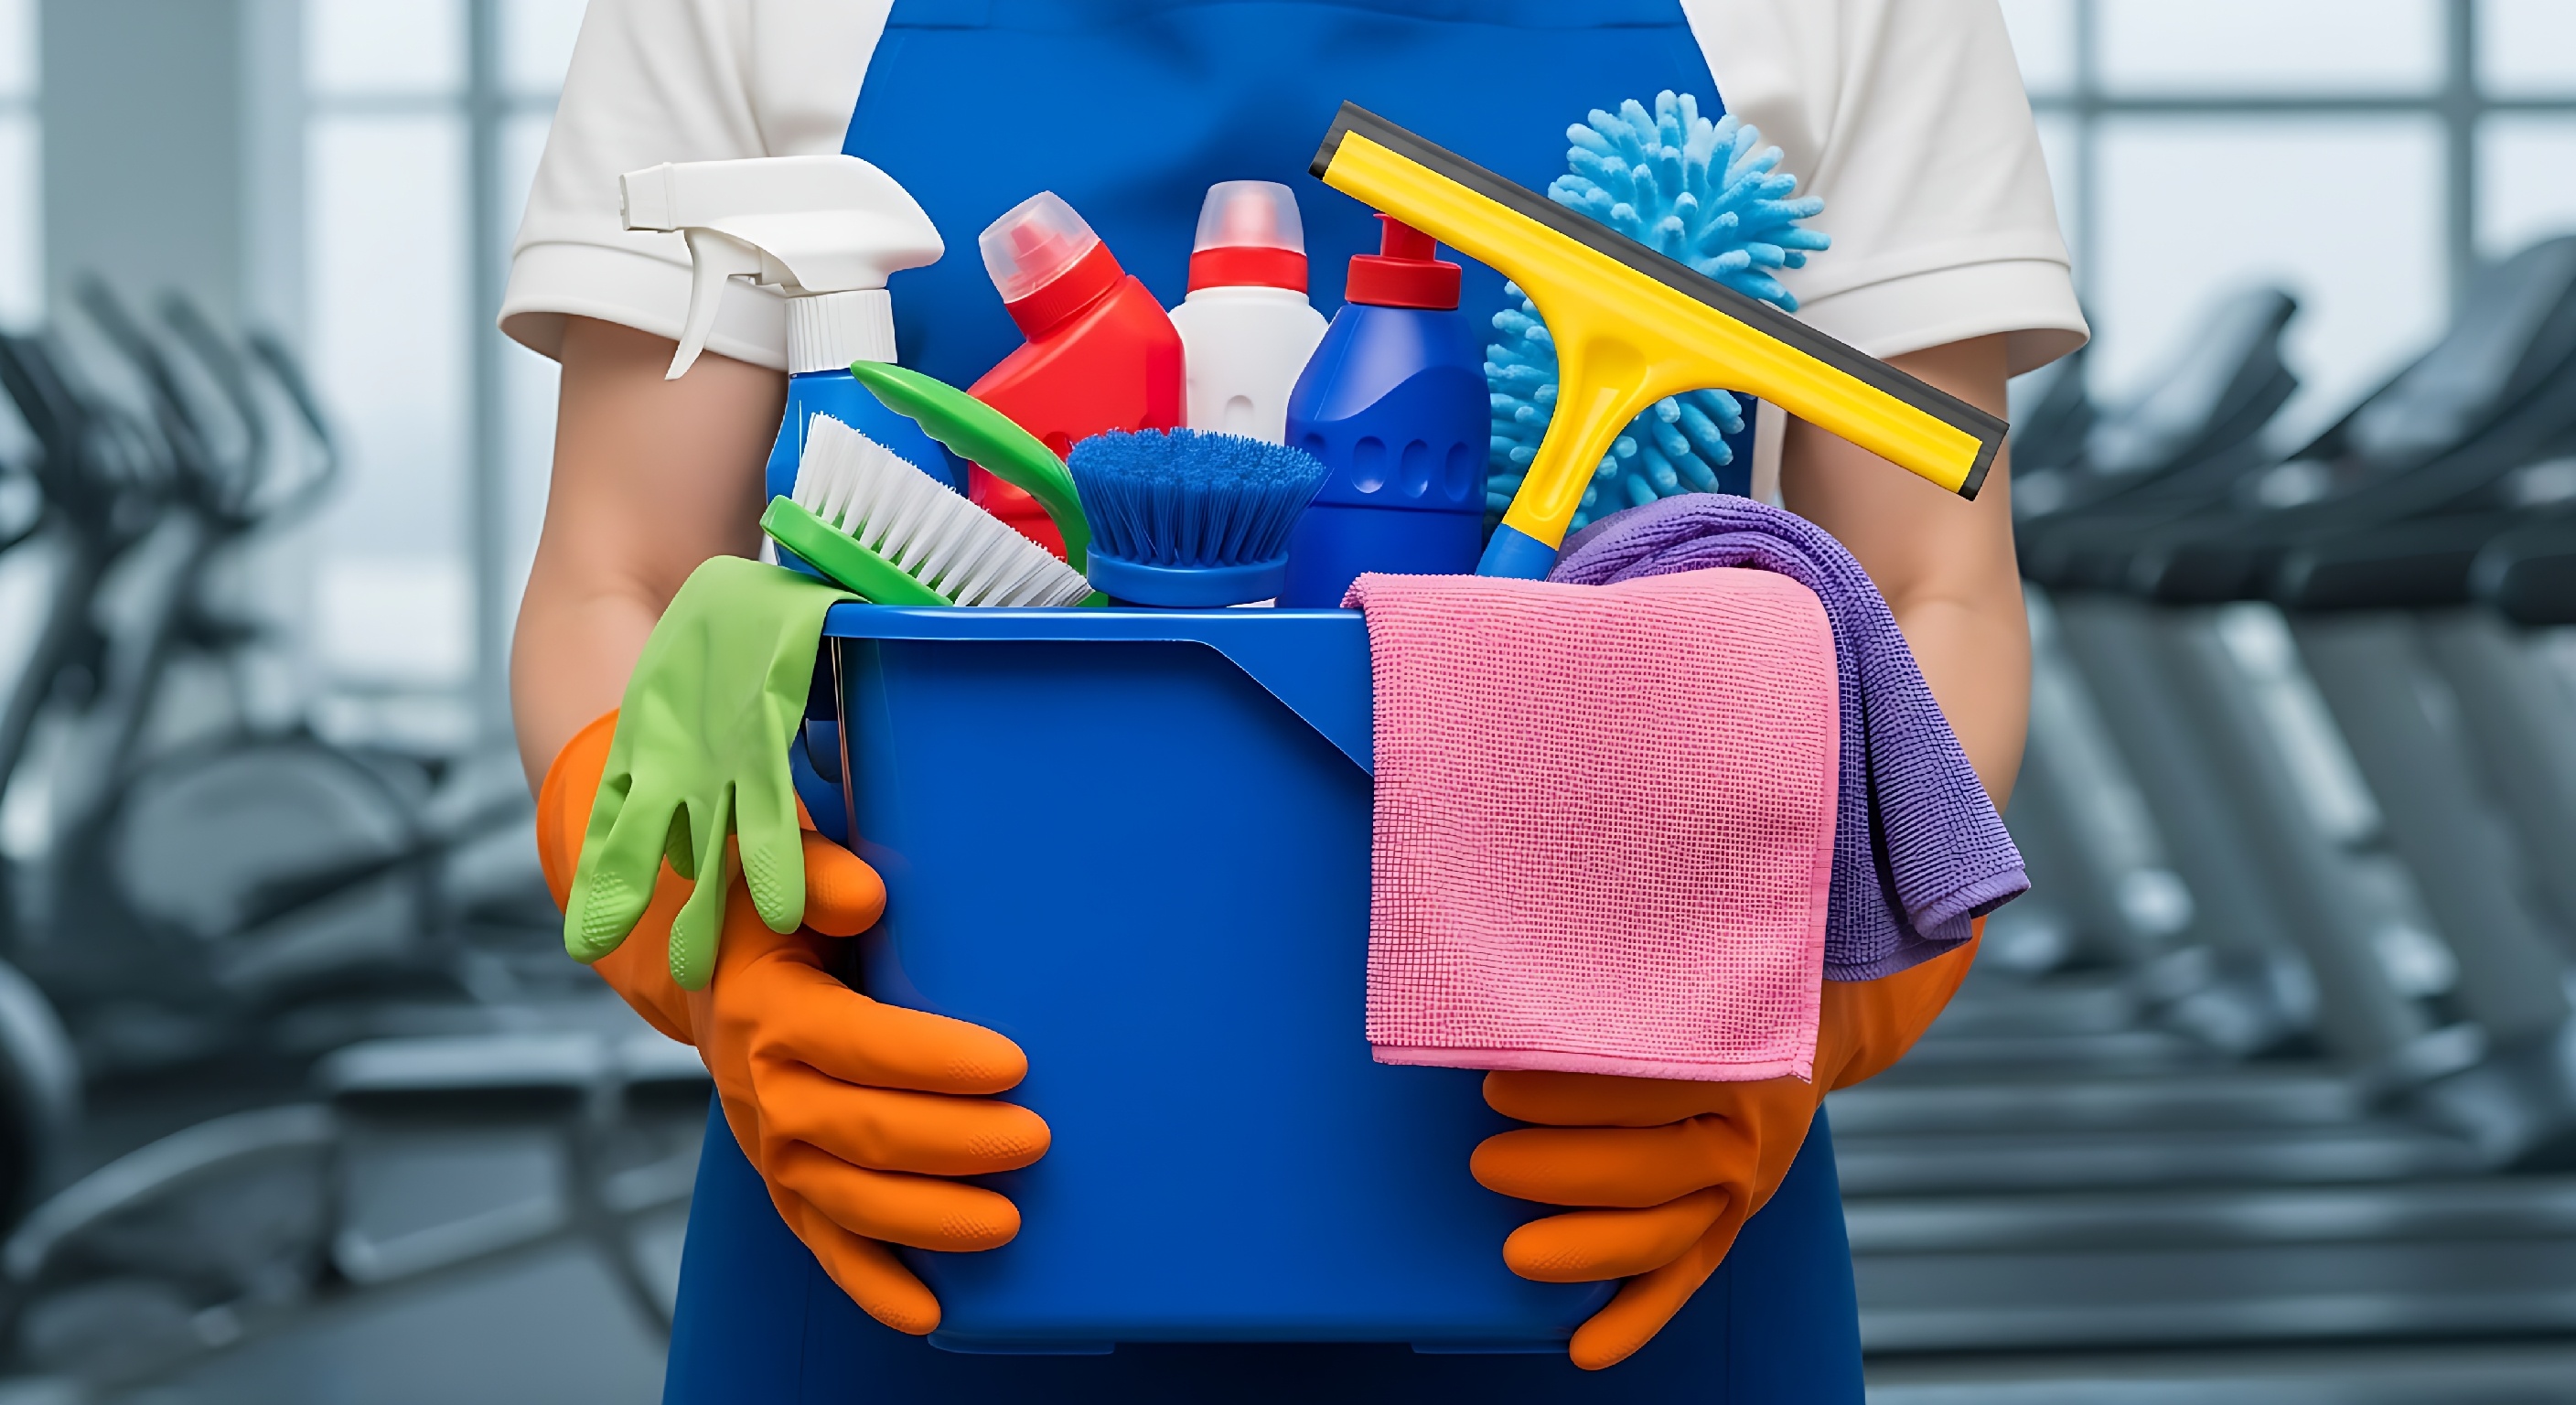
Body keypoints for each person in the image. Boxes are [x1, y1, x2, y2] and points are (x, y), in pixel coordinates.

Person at [505, 1, 2083, 1400]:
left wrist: (1802, 1023)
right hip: (901, 1177)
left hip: (1615, 1198)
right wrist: (721, 975)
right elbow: (620, 572)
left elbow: (1933, 590)